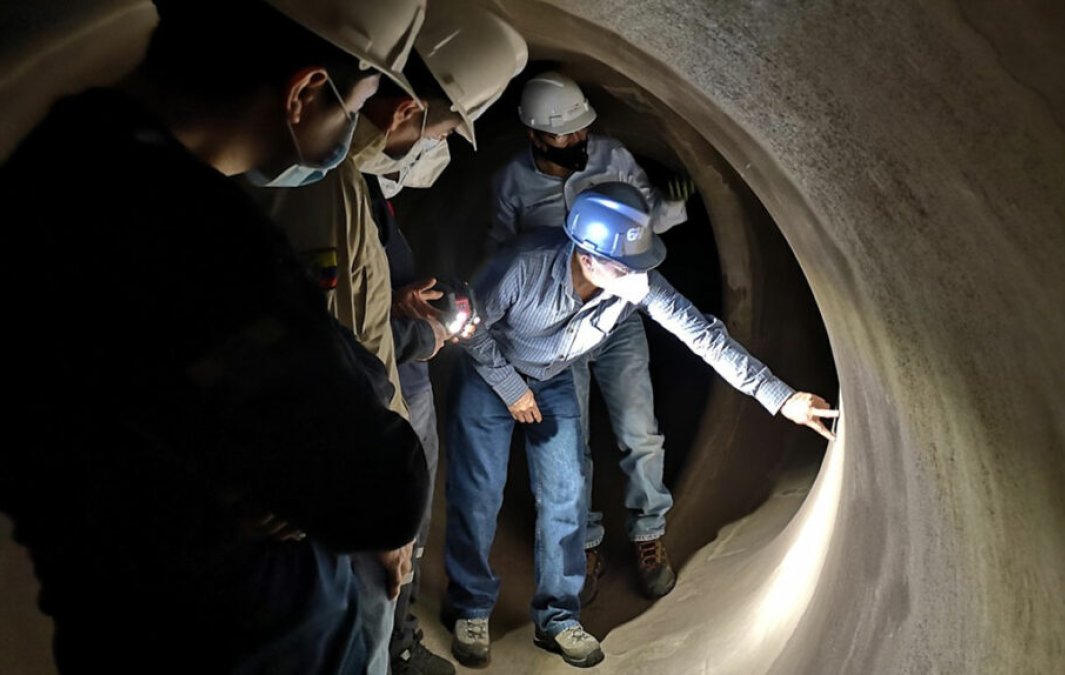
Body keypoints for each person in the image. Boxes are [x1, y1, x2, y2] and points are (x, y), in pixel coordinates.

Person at [0, 1, 432, 672]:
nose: (350, 130)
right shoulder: (191, 232)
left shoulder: (56, 163)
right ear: (304, 92)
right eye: (352, 107)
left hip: (113, 618)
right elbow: (380, 489)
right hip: (238, 636)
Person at [444, 182, 838, 669]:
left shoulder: (633, 283)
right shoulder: (523, 265)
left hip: (552, 378)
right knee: (479, 491)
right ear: (587, 256)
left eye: (637, 264)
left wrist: (782, 398)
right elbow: (467, 327)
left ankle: (558, 618)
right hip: (491, 375)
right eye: (624, 265)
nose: (636, 275)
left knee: (567, 493)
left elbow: (703, 336)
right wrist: (510, 387)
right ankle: (470, 608)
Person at [250, 4, 527, 672]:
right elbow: (339, 354)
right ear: (404, 110)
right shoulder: (324, 185)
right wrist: (378, 510)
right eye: (441, 131)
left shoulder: (345, 182)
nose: (430, 146)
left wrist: (391, 301)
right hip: (322, 492)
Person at [490, 71, 697, 603]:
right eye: (564, 134)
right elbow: (502, 258)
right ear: (535, 135)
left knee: (639, 428)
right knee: (570, 442)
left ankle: (649, 533)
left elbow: (644, 226)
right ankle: (583, 543)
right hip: (557, 332)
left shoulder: (612, 158)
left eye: (582, 128)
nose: (578, 139)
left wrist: (672, 205)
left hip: (618, 314)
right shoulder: (511, 183)